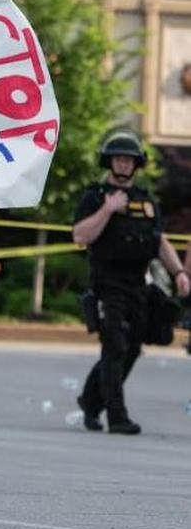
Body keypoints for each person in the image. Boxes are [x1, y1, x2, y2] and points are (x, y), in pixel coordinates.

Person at [73, 131, 189, 434]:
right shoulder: (95, 196)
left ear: (136, 164)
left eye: (128, 160)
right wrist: (108, 210)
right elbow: (80, 236)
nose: (123, 164)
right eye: (118, 159)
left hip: (138, 283)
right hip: (106, 284)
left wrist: (179, 273)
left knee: (132, 348)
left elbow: (160, 240)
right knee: (114, 346)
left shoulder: (146, 201)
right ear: (109, 162)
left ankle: (90, 400)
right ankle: (117, 415)